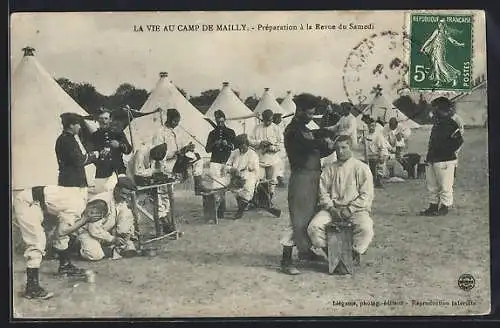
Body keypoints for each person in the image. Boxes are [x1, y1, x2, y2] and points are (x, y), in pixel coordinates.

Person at [13, 185, 109, 299]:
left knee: (62, 235)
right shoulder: (76, 208)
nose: (95, 219)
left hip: (38, 202)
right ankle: (31, 288)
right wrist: (85, 220)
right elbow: (61, 232)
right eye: (96, 215)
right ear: (92, 210)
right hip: (27, 202)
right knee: (37, 242)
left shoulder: (81, 201)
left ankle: (65, 266)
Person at [280, 105, 336, 275]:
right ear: (299, 111)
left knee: (311, 215)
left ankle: (305, 252)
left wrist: (332, 146)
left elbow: (317, 152)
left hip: (313, 178)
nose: (312, 117)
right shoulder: (292, 131)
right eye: (309, 113)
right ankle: (286, 260)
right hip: (301, 179)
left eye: (313, 113)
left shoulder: (306, 130)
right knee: (298, 219)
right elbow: (306, 146)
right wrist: (322, 139)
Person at [307, 135, 375, 265]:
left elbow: (366, 194)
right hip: (332, 209)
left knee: (366, 228)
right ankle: (332, 255)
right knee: (314, 227)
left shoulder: (361, 168)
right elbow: (323, 192)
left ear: (351, 148)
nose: (340, 151)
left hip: (356, 210)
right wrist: (331, 208)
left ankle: (352, 255)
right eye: (338, 148)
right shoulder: (329, 168)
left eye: (344, 147)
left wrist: (350, 209)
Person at [152, 108, 202, 232]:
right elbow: (158, 153)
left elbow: (179, 148)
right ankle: (163, 220)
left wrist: (186, 148)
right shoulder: (159, 132)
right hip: (163, 166)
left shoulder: (175, 132)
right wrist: (177, 152)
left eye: (178, 121)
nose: (176, 123)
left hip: (175, 165)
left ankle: (165, 218)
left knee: (169, 194)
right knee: (163, 193)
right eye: (175, 121)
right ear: (169, 119)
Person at [420, 97, 464, 216]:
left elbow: (458, 141)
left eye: (435, 109)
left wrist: (445, 152)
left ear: (440, 109)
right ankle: (433, 206)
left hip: (445, 160)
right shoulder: (437, 124)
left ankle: (445, 207)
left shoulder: (451, 123)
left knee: (445, 185)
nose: (433, 112)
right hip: (432, 159)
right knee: (432, 185)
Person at [78, 177, 138, 261]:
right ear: (116, 189)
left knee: (127, 214)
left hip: (103, 231)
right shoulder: (101, 202)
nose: (125, 197)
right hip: (86, 231)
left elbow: (125, 220)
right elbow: (93, 229)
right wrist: (112, 239)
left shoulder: (120, 200)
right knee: (95, 255)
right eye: (123, 193)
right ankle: (75, 245)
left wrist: (125, 235)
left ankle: (109, 247)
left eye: (127, 195)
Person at [90, 108, 133, 195]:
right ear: (98, 120)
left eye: (105, 118)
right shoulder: (94, 136)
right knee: (103, 196)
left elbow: (128, 150)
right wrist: (99, 155)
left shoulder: (118, 133)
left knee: (121, 197)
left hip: (118, 170)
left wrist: (119, 145)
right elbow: (91, 153)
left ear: (110, 120)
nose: (103, 121)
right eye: (101, 119)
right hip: (102, 172)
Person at [55, 112, 100, 188]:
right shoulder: (67, 141)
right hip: (72, 182)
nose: (79, 127)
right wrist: (94, 155)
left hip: (70, 180)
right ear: (71, 126)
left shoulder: (66, 138)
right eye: (78, 124)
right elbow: (78, 160)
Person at [420, 18, 465, 87]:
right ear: (438, 24)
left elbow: (452, 41)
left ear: (444, 25)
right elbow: (430, 40)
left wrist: (459, 44)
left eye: (442, 24)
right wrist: (423, 47)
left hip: (441, 50)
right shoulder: (437, 31)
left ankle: (454, 78)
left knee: (441, 64)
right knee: (436, 65)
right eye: (440, 24)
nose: (441, 25)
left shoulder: (445, 32)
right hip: (435, 50)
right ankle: (439, 81)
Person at [205, 110, 236, 212]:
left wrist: (227, 144)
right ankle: (220, 209)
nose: (220, 124)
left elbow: (235, 147)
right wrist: (215, 144)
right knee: (217, 184)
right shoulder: (212, 133)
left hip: (227, 161)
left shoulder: (231, 132)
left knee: (227, 184)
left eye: (222, 122)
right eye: (218, 122)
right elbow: (207, 149)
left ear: (225, 120)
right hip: (215, 161)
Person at [249, 109, 282, 202]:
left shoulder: (276, 128)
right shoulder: (257, 128)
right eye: (266, 120)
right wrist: (260, 143)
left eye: (270, 120)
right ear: (262, 119)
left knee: (272, 181)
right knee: (258, 180)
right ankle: (257, 201)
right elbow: (250, 141)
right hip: (260, 159)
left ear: (272, 119)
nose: (268, 122)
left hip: (273, 159)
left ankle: (269, 200)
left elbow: (281, 144)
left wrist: (271, 148)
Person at [224, 134, 260, 220]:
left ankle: (240, 211)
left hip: (250, 175)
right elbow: (227, 165)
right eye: (239, 147)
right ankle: (243, 204)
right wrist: (232, 169)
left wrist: (245, 173)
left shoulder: (253, 154)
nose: (241, 149)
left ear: (247, 145)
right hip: (235, 175)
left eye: (243, 147)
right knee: (233, 188)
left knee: (248, 188)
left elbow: (254, 170)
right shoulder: (235, 153)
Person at [363, 119, 389, 188]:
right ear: (368, 126)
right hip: (368, 156)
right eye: (370, 125)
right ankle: (372, 181)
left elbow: (382, 147)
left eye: (373, 126)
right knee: (369, 170)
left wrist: (381, 156)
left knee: (379, 167)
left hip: (376, 155)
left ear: (375, 126)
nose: (371, 127)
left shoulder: (378, 135)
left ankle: (378, 181)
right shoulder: (366, 136)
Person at [272, 113, 286, 187]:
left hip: (281, 148)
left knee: (281, 165)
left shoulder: (280, 127)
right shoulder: (272, 127)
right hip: (276, 148)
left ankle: (280, 179)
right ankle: (277, 179)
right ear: (276, 119)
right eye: (279, 118)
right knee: (276, 164)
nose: (280, 120)